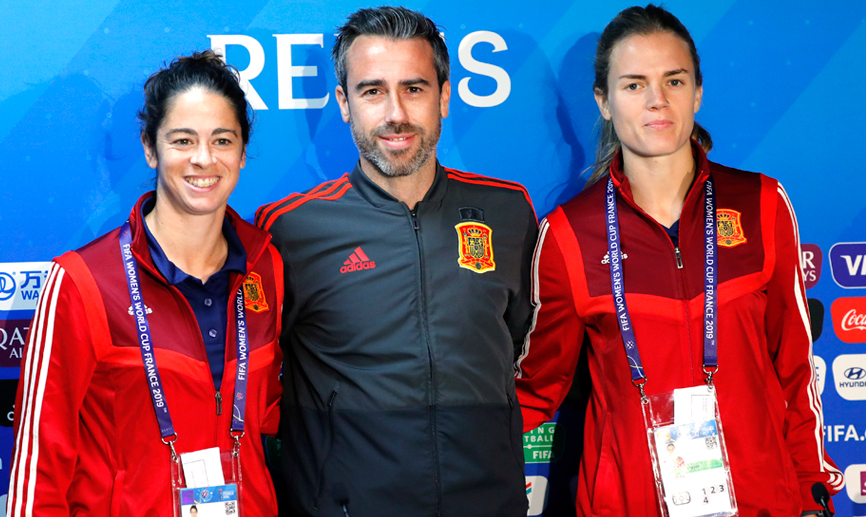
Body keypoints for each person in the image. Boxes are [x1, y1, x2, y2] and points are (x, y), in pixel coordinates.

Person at [513, 4, 842, 516]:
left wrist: (812, 489)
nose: (657, 100)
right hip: (625, 504)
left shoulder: (761, 204)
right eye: (634, 85)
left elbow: (796, 368)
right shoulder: (570, 234)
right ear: (603, 101)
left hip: (760, 501)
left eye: (674, 80)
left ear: (697, 92)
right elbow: (537, 386)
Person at [256, 6, 537, 516]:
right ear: (344, 103)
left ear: (444, 96)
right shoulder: (290, 230)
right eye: (372, 91)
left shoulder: (507, 211)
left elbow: (526, 347)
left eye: (414, 88)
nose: (395, 114)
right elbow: (256, 378)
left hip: (489, 502)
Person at [6, 51, 283, 516]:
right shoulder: (82, 281)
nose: (203, 158)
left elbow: (268, 414)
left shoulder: (265, 265)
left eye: (222, 140)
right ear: (150, 149)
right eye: (182, 140)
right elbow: (39, 473)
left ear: (242, 152)